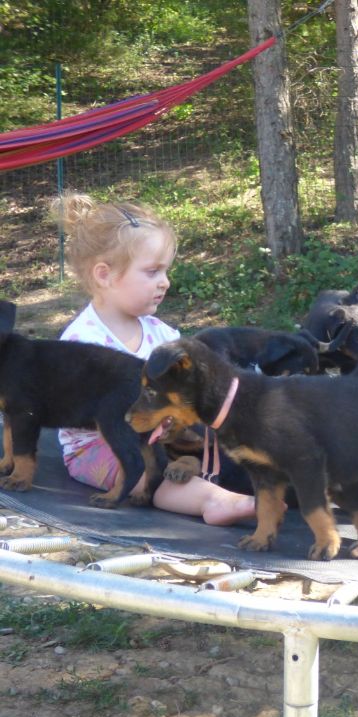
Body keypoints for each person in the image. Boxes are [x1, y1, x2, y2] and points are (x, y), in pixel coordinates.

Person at [52, 193, 257, 525]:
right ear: (104, 276)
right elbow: (82, 414)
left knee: (223, 441)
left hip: (163, 435)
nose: (165, 282)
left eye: (165, 271)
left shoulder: (160, 333)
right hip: (100, 447)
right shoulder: (81, 342)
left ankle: (258, 484)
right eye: (152, 272)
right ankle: (215, 501)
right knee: (147, 471)